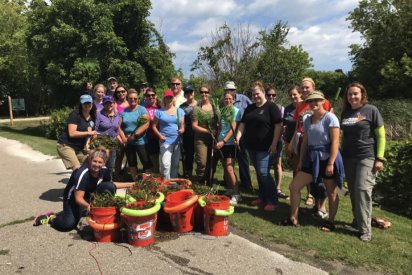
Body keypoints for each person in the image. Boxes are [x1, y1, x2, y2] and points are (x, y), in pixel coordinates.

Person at [282, 91, 343, 231]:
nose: (313, 103)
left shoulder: (330, 118)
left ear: (323, 101)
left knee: (331, 191)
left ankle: (331, 221)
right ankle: (294, 218)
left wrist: (330, 163)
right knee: (294, 187)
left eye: (316, 100)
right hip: (311, 158)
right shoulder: (308, 119)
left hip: (327, 158)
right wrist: (301, 160)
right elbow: (306, 141)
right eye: (310, 101)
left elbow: (335, 142)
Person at [33, 148, 134, 231]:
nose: (97, 165)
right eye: (95, 161)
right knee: (68, 225)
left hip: (88, 195)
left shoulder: (104, 170)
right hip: (72, 199)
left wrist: (130, 184)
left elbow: (110, 185)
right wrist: (89, 206)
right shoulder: (82, 173)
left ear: (104, 163)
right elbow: (78, 198)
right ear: (90, 160)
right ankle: (51, 218)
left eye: (100, 162)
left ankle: (101, 214)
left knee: (109, 186)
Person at [340, 82, 386, 241]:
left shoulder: (371, 110)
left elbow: (381, 135)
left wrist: (380, 157)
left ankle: (365, 230)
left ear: (362, 95)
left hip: (367, 156)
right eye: (349, 94)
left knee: (362, 190)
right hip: (348, 157)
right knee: (353, 191)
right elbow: (343, 136)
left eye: (355, 94)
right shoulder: (345, 113)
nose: (352, 97)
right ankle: (357, 220)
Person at [287, 77, 331, 218]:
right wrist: (291, 143)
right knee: (304, 172)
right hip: (303, 143)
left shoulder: (323, 102)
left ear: (313, 87)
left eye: (307, 87)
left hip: (320, 146)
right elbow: (297, 127)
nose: (304, 90)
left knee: (320, 177)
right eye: (303, 88)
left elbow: (330, 124)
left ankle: (321, 207)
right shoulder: (300, 105)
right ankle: (310, 201)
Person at [235, 82, 282, 211]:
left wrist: (274, 144)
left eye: (258, 93)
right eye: (253, 94)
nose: (256, 96)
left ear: (263, 92)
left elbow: (278, 126)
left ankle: (272, 200)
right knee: (259, 173)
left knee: (264, 173)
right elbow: (242, 124)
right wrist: (238, 137)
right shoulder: (250, 108)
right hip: (252, 147)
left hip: (266, 147)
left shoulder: (271, 107)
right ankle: (262, 197)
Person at [223, 81, 253, 191]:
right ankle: (229, 183)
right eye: (227, 90)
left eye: (231, 89)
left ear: (235, 90)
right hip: (228, 136)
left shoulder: (244, 99)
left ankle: (246, 183)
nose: (229, 92)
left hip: (242, 134)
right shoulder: (224, 102)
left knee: (243, 159)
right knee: (228, 160)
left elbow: (253, 108)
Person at [57, 94, 97, 170]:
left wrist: (88, 147)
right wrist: (89, 133)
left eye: (89, 103)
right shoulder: (75, 115)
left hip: (79, 148)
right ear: (81, 104)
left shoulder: (92, 118)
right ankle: (75, 181)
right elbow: (72, 133)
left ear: (92, 103)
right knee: (77, 168)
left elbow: (89, 135)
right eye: (85, 103)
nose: (87, 105)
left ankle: (86, 181)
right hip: (66, 145)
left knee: (91, 162)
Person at [216, 90, 242, 205]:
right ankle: (231, 189)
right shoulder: (222, 111)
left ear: (234, 100)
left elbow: (233, 128)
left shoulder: (236, 111)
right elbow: (221, 128)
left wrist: (224, 141)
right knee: (225, 167)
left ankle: (237, 194)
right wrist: (217, 140)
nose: (227, 100)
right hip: (220, 142)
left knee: (230, 168)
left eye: (230, 99)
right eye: (226, 98)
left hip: (230, 143)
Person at [119, 89, 152, 180]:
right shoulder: (124, 112)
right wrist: (123, 138)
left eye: (135, 98)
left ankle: (148, 182)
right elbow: (119, 126)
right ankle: (135, 181)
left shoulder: (142, 109)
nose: (133, 100)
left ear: (138, 99)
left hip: (141, 141)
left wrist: (135, 135)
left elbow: (145, 124)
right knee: (132, 162)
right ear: (127, 99)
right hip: (128, 142)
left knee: (146, 162)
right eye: (130, 98)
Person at [151, 90, 185, 179]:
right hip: (165, 141)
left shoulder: (180, 111)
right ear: (164, 98)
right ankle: (166, 183)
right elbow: (153, 126)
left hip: (177, 140)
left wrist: (182, 130)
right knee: (165, 164)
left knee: (175, 164)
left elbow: (182, 126)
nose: (169, 99)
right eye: (167, 97)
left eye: (170, 97)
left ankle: (173, 183)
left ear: (173, 98)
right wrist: (160, 135)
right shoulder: (159, 112)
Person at [192, 84, 219, 185]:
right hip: (200, 139)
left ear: (209, 93)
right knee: (202, 162)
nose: (204, 94)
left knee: (211, 162)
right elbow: (194, 126)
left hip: (213, 139)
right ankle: (201, 182)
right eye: (202, 92)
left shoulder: (214, 107)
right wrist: (208, 131)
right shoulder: (197, 108)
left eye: (206, 92)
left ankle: (209, 182)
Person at [266, 85, 287, 199]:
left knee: (277, 164)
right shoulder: (262, 107)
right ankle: (267, 187)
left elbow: (282, 125)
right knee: (265, 165)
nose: (271, 97)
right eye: (269, 95)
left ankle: (278, 188)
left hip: (277, 140)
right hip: (265, 140)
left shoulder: (280, 108)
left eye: (273, 95)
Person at [95, 96, 124, 174]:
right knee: (101, 162)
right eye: (106, 103)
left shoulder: (117, 115)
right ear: (103, 104)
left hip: (112, 142)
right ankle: (98, 179)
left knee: (110, 165)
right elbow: (95, 129)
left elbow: (116, 130)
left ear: (114, 104)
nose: (108, 105)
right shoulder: (99, 114)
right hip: (102, 142)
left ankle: (108, 180)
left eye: (110, 103)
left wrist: (121, 141)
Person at [283, 85, 303, 177]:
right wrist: (286, 142)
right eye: (290, 95)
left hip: (302, 141)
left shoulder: (306, 106)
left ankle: (309, 191)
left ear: (300, 94)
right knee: (295, 167)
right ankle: (295, 190)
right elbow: (284, 125)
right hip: (290, 142)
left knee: (304, 168)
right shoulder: (287, 109)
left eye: (295, 94)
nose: (292, 97)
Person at [179, 85, 197, 178]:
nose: (189, 94)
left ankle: (200, 176)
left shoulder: (199, 105)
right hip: (187, 134)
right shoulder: (181, 107)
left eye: (190, 92)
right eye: (187, 92)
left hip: (198, 133)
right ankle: (188, 175)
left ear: (193, 93)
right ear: (184, 94)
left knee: (199, 156)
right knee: (188, 155)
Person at [142, 87, 161, 173]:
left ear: (155, 96)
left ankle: (157, 174)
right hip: (147, 135)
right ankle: (152, 174)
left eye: (153, 95)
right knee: (150, 157)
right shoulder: (143, 108)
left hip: (159, 134)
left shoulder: (160, 107)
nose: (151, 97)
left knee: (157, 157)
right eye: (148, 95)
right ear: (145, 97)